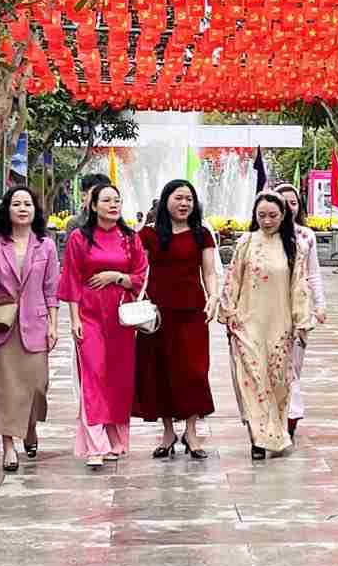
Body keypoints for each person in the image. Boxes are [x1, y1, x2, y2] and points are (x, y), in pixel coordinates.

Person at [219, 191, 316, 460]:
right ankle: (258, 437)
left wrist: (301, 321)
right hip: (247, 322)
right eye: (261, 215)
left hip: (280, 326)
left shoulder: (295, 246)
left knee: (278, 382)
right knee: (253, 379)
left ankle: (277, 431)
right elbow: (233, 279)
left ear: (283, 215)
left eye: (273, 215)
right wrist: (228, 313)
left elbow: (300, 286)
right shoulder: (246, 243)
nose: (267, 220)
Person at [58, 181, 148, 470]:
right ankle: (95, 446)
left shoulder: (130, 238)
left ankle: (116, 443)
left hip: (121, 316)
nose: (113, 205)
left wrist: (116, 277)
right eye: (106, 200)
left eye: (117, 200)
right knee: (94, 375)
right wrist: (74, 320)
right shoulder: (79, 239)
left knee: (119, 377)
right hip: (89, 314)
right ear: (93, 205)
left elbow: (141, 275)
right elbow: (70, 278)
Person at [135, 180, 219, 460]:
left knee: (194, 371)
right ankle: (168, 431)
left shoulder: (201, 234)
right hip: (156, 316)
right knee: (161, 371)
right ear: (165, 200)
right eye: (178, 198)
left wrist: (213, 297)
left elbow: (209, 272)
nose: (184, 204)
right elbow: (138, 271)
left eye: (189, 199)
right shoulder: (147, 234)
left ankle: (192, 431)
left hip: (192, 312)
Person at [0, 186, 61, 474]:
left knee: (38, 385)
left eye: (28, 203)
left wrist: (53, 323)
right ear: (8, 209)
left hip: (36, 322)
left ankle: (29, 427)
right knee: (4, 388)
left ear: (35, 210)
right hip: (2, 323)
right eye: (17, 203)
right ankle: (8, 446)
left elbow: (51, 287)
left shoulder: (46, 244)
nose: (23, 208)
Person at [273, 181, 327, 442]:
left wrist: (320, 304)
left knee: (294, 365)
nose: (288, 208)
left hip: (300, 310)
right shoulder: (262, 236)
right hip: (270, 308)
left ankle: (290, 415)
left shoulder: (306, 235)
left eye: (293, 202)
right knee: (272, 364)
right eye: (282, 203)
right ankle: (279, 415)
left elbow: (314, 273)